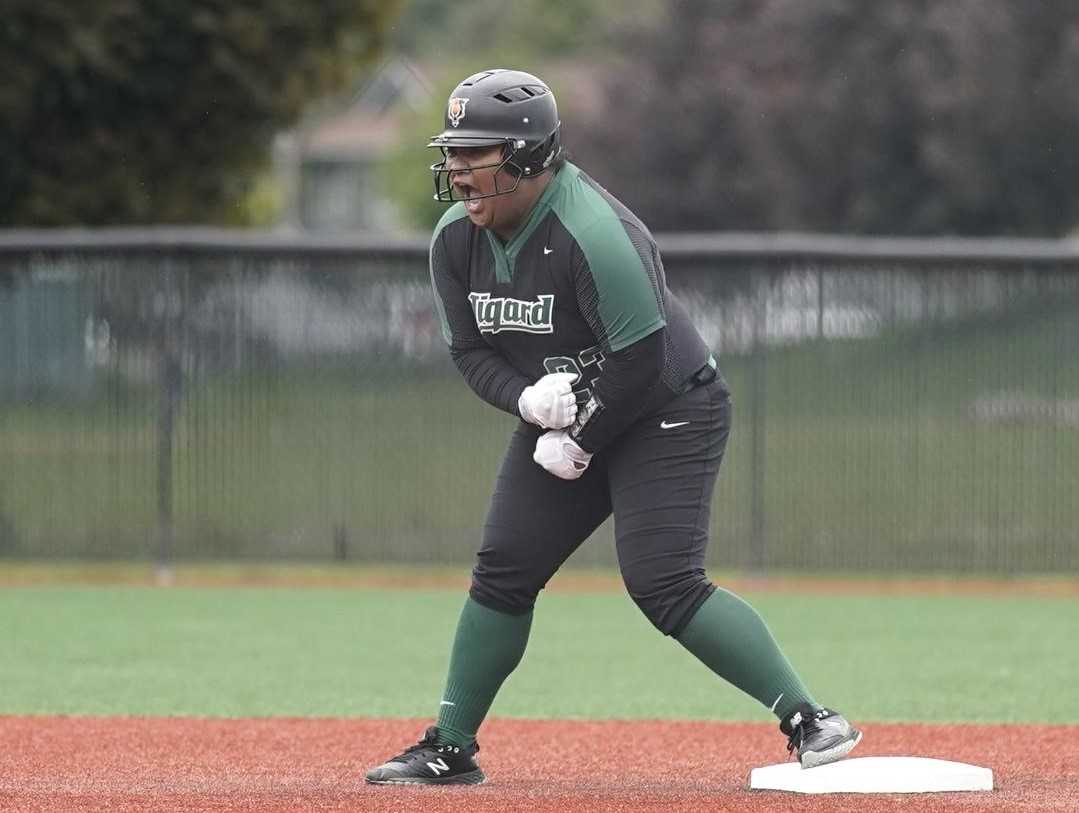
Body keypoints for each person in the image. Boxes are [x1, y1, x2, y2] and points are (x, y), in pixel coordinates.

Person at [365, 68, 861, 786]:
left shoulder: (595, 231)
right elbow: (470, 352)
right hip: (575, 407)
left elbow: (641, 361)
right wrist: (527, 402)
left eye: (476, 152)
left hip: (668, 404)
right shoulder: (453, 241)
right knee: (504, 567)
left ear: (530, 156)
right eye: (453, 152)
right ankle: (449, 745)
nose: (458, 169)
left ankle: (811, 717)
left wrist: (580, 440)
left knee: (663, 581)